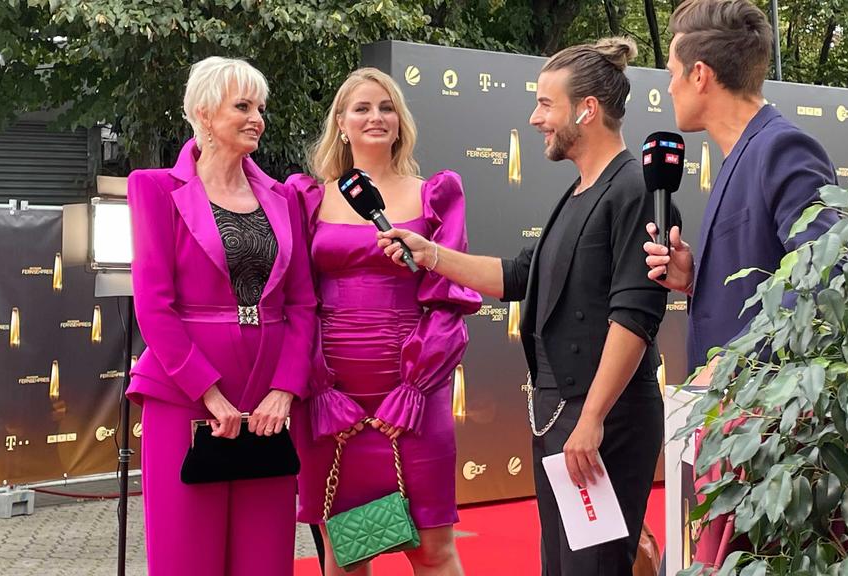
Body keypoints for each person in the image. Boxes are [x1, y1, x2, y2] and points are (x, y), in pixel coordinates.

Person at [379, 38, 672, 575]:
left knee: (596, 568)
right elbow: (517, 275)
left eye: (545, 103)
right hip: (564, 419)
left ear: (586, 109)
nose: (535, 117)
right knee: (561, 566)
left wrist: (592, 418)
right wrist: (432, 255)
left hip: (602, 422)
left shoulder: (633, 188)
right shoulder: (581, 191)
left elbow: (634, 316)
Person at [641, 0, 838, 566]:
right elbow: (775, 274)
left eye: (673, 72)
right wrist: (695, 276)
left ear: (700, 74)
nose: (670, 86)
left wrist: (736, 370)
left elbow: (827, 276)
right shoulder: (741, 152)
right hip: (734, 429)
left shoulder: (780, 146)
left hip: (767, 435)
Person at [126, 56, 316, 575]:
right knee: (188, 554)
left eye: (260, 107)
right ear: (205, 114)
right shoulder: (154, 188)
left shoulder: (285, 198)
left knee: (265, 557)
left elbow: (302, 303)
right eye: (243, 106)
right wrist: (207, 392)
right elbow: (154, 305)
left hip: (271, 401)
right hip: (184, 394)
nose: (257, 117)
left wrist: (285, 389)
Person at [289, 67, 481, 576]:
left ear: (400, 123)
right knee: (347, 553)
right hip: (331, 395)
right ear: (341, 123)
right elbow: (296, 300)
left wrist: (415, 386)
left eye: (386, 107)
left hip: (415, 388)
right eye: (362, 108)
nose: (376, 117)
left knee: (433, 551)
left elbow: (448, 297)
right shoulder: (305, 198)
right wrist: (319, 387)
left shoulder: (436, 194)